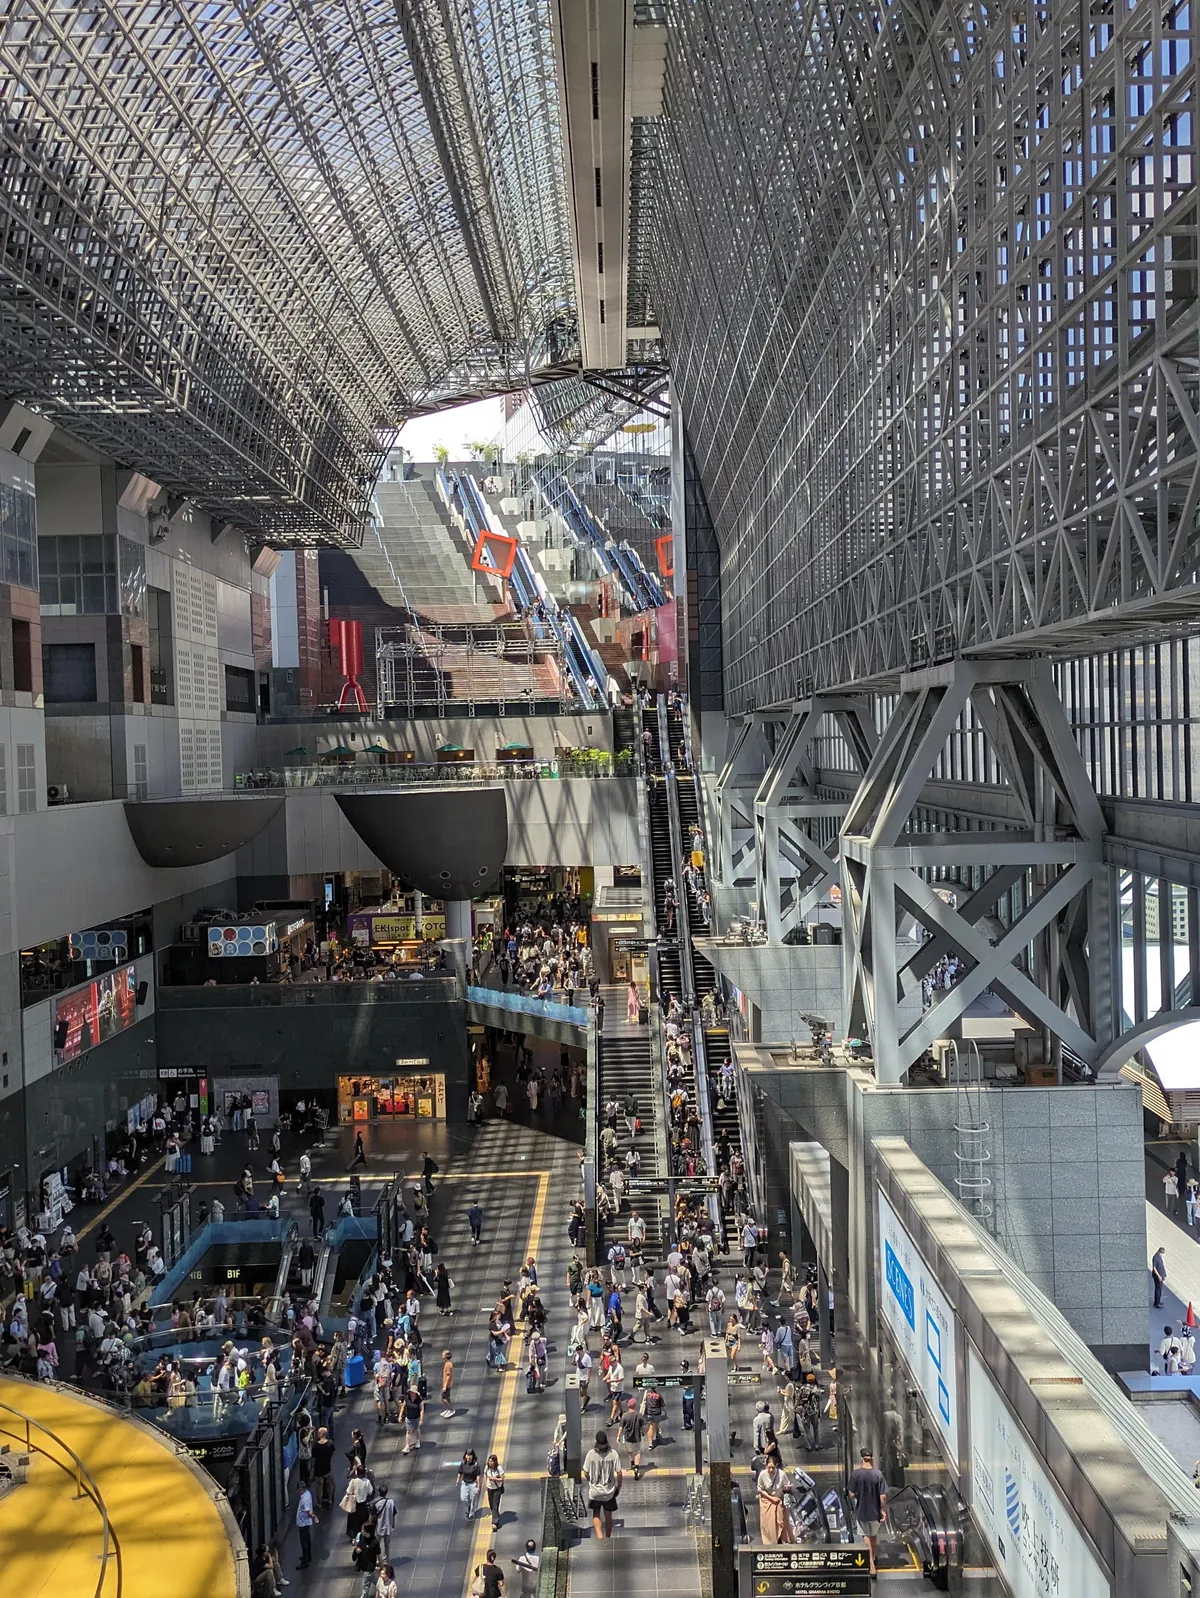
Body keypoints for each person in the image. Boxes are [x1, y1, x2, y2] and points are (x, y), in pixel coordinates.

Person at [848, 1449, 888, 1577]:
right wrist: (884, 1510)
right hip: (875, 1511)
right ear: (872, 1458)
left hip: (862, 1511)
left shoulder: (856, 1474)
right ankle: (873, 1557)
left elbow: (851, 1493)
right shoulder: (878, 1474)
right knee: (873, 1535)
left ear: (861, 1458)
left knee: (865, 1536)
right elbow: (883, 1496)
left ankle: (871, 1565)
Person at [582, 1430, 622, 1539]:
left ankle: (600, 1538)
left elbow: (585, 1471)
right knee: (608, 1514)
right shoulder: (613, 1454)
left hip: (595, 1492)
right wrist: (618, 1487)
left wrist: (591, 1480)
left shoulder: (591, 1454)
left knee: (596, 1513)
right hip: (609, 1492)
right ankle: (608, 1537)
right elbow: (619, 1473)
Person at [756, 1449, 792, 1544]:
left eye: (773, 1468)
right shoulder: (762, 1475)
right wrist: (771, 1498)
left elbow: (786, 1485)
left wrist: (787, 1488)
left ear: (776, 1466)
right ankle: (770, 1541)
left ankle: (781, 1537)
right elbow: (760, 1489)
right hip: (767, 1501)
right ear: (766, 1466)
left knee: (781, 1520)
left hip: (779, 1500)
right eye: (769, 1468)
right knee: (768, 1523)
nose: (771, 1470)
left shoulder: (782, 1474)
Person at [295, 1480, 318, 1569]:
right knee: (307, 1540)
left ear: (301, 1489)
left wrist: (314, 1517)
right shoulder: (307, 1493)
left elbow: (309, 1512)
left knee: (304, 1542)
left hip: (303, 1522)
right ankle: (308, 1557)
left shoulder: (304, 1499)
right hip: (305, 1522)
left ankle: (305, 1561)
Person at [458, 1448, 482, 1520]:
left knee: (473, 1499)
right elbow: (460, 1472)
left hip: (473, 1484)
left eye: (470, 1455)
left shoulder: (475, 1465)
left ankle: (471, 1513)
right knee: (463, 1498)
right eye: (467, 1455)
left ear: (472, 1456)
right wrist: (458, 1480)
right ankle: (469, 1506)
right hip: (464, 1483)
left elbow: (478, 1476)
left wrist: (478, 1486)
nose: (468, 1457)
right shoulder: (463, 1463)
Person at [485, 1453, 506, 1531]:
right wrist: (486, 1484)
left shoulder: (499, 1468)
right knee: (491, 1504)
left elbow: (502, 1479)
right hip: (489, 1488)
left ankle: (494, 1522)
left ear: (495, 1462)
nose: (489, 1462)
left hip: (497, 1489)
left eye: (491, 1461)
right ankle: (496, 1515)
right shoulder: (487, 1467)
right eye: (489, 1461)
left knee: (495, 1505)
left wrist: (494, 1479)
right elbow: (485, 1475)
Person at [402, 1384, 424, 1453]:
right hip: (408, 1417)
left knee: (416, 1429)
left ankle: (417, 1441)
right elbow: (403, 1406)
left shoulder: (419, 1399)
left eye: (412, 1392)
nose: (411, 1393)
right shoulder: (407, 1397)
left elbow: (421, 1409)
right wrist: (400, 1415)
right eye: (410, 1392)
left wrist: (421, 1419)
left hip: (416, 1417)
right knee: (408, 1431)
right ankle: (407, 1446)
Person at [1153, 1245, 1168, 1309]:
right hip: (1157, 1277)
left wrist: (1164, 1275)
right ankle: (1157, 1303)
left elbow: (1161, 1267)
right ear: (1159, 1252)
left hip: (1161, 1276)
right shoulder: (1155, 1258)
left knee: (1159, 1289)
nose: (1162, 1255)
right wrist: (1159, 1276)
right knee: (1158, 1289)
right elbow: (1154, 1268)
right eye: (1162, 1253)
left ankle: (1157, 1301)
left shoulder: (1159, 1257)